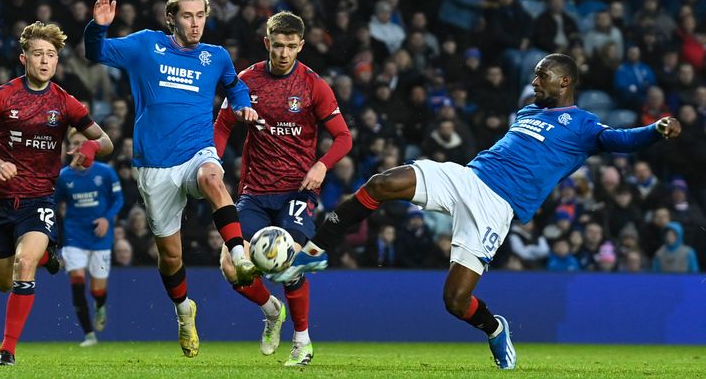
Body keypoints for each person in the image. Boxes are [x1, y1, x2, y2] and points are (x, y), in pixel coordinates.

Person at [273, 53, 682, 370]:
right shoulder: (528, 112)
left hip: (495, 209)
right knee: (383, 182)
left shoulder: (583, 125)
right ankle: (319, 248)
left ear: (565, 81)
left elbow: (622, 140)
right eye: (535, 74)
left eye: (542, 75)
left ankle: (495, 328)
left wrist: (656, 131)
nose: (534, 80)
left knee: (454, 300)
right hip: (468, 177)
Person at [83, 0, 259, 358]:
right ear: (171, 18)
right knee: (172, 256)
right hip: (155, 165)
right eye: (187, 16)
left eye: (200, 16)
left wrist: (243, 104)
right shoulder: (146, 45)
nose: (196, 24)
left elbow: (234, 86)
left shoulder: (217, 56)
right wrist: (98, 26)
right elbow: (95, 51)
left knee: (214, 177)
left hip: (198, 149)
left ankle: (239, 253)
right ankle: (183, 311)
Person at [0, 21, 114, 366]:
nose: (45, 61)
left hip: (39, 200)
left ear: (57, 61)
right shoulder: (2, 96)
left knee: (23, 263)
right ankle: (49, 257)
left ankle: (7, 350)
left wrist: (90, 148)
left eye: (51, 55)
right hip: (0, 200)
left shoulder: (65, 102)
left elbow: (104, 141)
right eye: (38, 54)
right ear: (24, 58)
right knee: (4, 282)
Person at [213, 11, 352, 366]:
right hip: (255, 193)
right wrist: (211, 161)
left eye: (292, 46)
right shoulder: (246, 82)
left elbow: (343, 138)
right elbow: (223, 126)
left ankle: (302, 341)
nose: (285, 53)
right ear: (267, 43)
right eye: (278, 45)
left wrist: (321, 165)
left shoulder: (313, 85)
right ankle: (271, 310)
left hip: (297, 191)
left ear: (301, 45)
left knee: (287, 260)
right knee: (230, 265)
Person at [54, 130, 124, 347]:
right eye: (73, 143)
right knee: (77, 281)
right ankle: (88, 334)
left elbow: (118, 199)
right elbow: (53, 204)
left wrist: (106, 219)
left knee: (97, 289)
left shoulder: (105, 172)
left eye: (81, 143)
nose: (77, 148)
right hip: (74, 235)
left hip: (100, 237)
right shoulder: (64, 176)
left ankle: (100, 305)